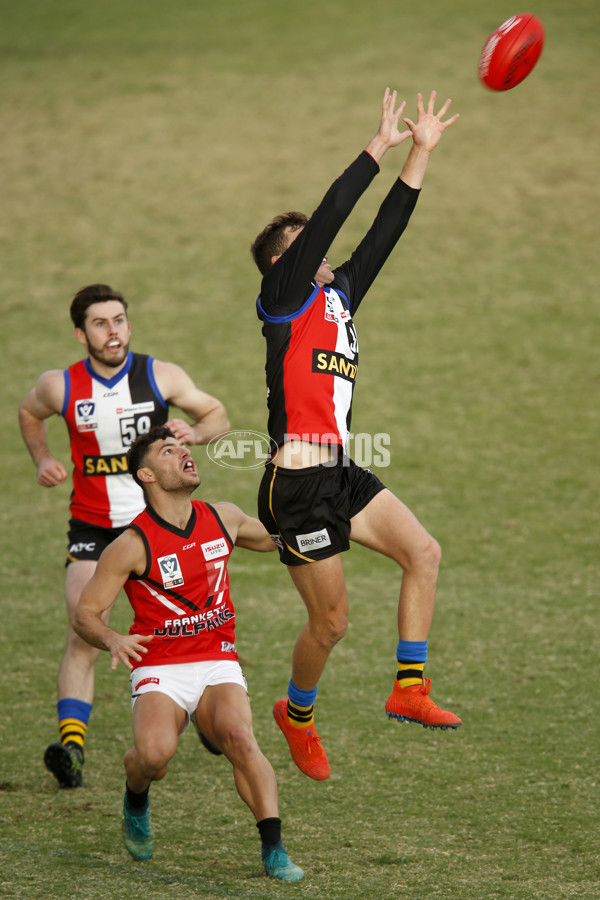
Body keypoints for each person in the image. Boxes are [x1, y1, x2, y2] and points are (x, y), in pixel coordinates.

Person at [250, 90, 462, 782]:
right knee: (331, 625)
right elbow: (339, 211)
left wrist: (422, 153)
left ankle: (410, 689)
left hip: (341, 470)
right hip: (298, 485)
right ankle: (298, 715)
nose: (317, 248)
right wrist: (377, 147)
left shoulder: (336, 296)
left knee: (422, 552)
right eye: (299, 245)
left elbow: (383, 233)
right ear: (281, 264)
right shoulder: (282, 300)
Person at [18, 284, 230, 789]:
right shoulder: (60, 387)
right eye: (100, 323)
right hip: (93, 529)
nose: (112, 331)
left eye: (119, 320)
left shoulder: (160, 376)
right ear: (80, 333)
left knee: (195, 625)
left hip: (159, 528)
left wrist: (192, 434)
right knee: (82, 627)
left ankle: (205, 712)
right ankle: (71, 747)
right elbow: (29, 413)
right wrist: (43, 458)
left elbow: (216, 415)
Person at [72, 425, 304, 883]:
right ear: (147, 476)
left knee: (239, 737)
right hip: (159, 666)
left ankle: (273, 848)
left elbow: (282, 542)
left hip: (218, 658)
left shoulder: (225, 517)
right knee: (154, 756)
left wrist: (316, 513)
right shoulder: (131, 545)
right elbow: (86, 613)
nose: (184, 454)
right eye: (168, 450)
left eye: (184, 447)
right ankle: (135, 798)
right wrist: (114, 639)